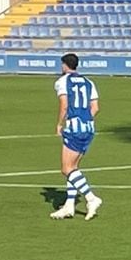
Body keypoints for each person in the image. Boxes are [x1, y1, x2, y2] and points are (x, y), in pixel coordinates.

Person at [49, 52, 103, 220]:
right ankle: (69, 206)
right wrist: (85, 121)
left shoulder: (62, 82)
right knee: (74, 168)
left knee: (66, 169)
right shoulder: (89, 82)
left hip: (74, 129)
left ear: (65, 65)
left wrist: (60, 124)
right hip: (88, 128)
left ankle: (91, 198)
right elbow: (95, 108)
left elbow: (64, 105)